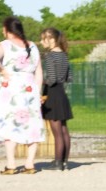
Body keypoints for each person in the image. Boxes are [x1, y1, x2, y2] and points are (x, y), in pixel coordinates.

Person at [0, 16, 44, 175]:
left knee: (10, 123)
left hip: (10, 88)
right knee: (32, 125)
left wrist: (3, 71)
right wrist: (37, 91)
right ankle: (29, 164)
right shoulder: (32, 46)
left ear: (7, 29)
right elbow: (39, 71)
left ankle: (11, 165)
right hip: (29, 87)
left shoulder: (4, 45)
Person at [39, 27, 73, 171]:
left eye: (43, 39)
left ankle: (58, 163)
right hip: (62, 94)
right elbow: (68, 77)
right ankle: (64, 162)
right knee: (64, 130)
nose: (41, 42)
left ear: (51, 39)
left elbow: (51, 79)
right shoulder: (64, 55)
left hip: (52, 95)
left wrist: (39, 80)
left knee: (57, 132)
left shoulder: (50, 56)